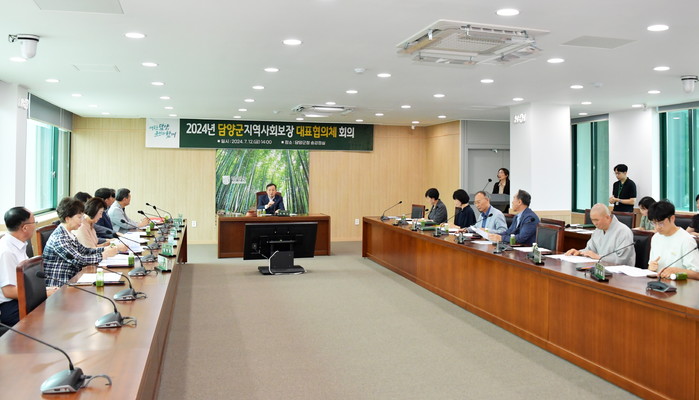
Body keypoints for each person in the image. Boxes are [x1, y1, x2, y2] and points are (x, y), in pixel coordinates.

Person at [0, 207, 58, 328]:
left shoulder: (19, 244)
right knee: (52, 317)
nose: (35, 226)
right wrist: (43, 293)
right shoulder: (6, 251)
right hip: (9, 306)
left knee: (58, 304)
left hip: (23, 297)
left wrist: (46, 289)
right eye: (34, 222)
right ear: (25, 228)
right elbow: (9, 291)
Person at [43, 197, 119, 287]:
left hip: (73, 279)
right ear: (67, 219)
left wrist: (105, 249)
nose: (82, 220)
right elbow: (79, 260)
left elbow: (85, 250)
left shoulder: (68, 234)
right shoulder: (59, 238)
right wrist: (103, 255)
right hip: (61, 284)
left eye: (82, 216)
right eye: (79, 217)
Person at [565, 203, 635, 266]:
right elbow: (590, 250)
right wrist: (579, 252)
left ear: (607, 217)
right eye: (592, 220)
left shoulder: (623, 231)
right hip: (600, 269)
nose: (594, 223)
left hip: (620, 273)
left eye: (596, 220)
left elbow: (622, 259)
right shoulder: (598, 230)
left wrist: (599, 257)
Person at [647, 200, 699, 279]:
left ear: (672, 218)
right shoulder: (655, 237)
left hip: (680, 284)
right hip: (659, 282)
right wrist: (651, 267)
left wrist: (677, 271)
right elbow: (651, 264)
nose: (657, 227)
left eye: (661, 223)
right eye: (654, 223)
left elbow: (697, 274)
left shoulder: (686, 240)